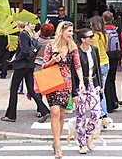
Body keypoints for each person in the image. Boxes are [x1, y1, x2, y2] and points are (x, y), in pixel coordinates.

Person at [43, 21, 84, 159]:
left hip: (66, 84)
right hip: (52, 82)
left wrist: (81, 82)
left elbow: (78, 66)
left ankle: (56, 141)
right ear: (62, 31)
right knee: (54, 113)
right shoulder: (50, 46)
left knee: (61, 114)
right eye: (69, 31)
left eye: (72, 31)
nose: (71, 34)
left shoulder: (73, 48)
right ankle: (58, 145)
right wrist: (53, 60)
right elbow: (44, 65)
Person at [1, 21, 50, 123]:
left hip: (22, 65)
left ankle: (11, 115)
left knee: (14, 89)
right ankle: (44, 110)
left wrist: (17, 59)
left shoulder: (23, 34)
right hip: (29, 65)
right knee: (31, 91)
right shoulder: (30, 34)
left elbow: (25, 50)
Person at [74, 28, 102, 154]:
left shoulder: (95, 50)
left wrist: (100, 85)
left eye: (93, 36)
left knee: (96, 113)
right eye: (90, 36)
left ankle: (88, 136)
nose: (92, 38)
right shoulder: (76, 52)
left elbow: (98, 69)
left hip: (93, 84)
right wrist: (73, 92)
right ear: (83, 39)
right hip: (81, 85)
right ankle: (82, 143)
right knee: (81, 115)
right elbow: (73, 73)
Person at [91, 16, 109, 118]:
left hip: (99, 63)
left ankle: (102, 112)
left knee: (98, 89)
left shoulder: (95, 36)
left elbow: (95, 50)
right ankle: (103, 111)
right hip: (105, 61)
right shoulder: (104, 34)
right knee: (102, 88)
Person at [102, 10, 120, 114]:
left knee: (106, 81)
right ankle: (114, 100)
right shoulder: (117, 29)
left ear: (103, 19)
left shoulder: (102, 31)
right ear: (112, 19)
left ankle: (109, 105)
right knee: (112, 79)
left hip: (106, 55)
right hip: (115, 56)